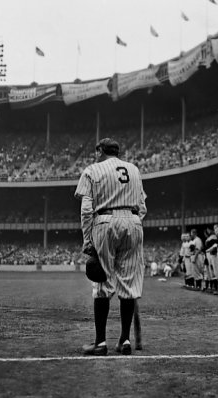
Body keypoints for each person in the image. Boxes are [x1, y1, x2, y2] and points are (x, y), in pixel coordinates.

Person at [75, 137, 147, 356]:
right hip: (133, 222)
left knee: (103, 285)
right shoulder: (134, 170)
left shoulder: (92, 170)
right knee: (129, 285)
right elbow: (142, 206)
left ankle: (100, 343)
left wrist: (88, 240)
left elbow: (86, 210)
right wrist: (132, 222)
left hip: (105, 221)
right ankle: (125, 341)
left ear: (99, 150)